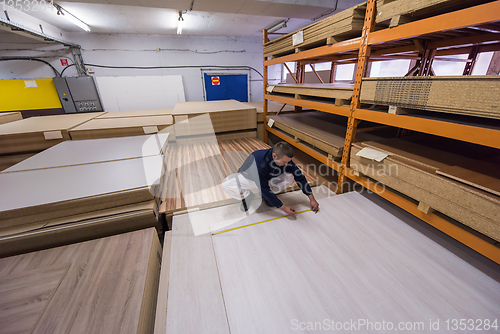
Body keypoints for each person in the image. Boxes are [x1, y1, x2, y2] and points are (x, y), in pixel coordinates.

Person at [221, 141, 319, 216]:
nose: (287, 164)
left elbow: (299, 177)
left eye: (288, 162)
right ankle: (247, 196)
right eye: (284, 162)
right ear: (274, 156)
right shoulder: (258, 161)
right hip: (249, 178)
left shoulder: (285, 160)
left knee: (290, 175)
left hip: (268, 177)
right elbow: (264, 188)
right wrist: (283, 207)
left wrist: (311, 199)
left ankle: (269, 198)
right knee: (226, 184)